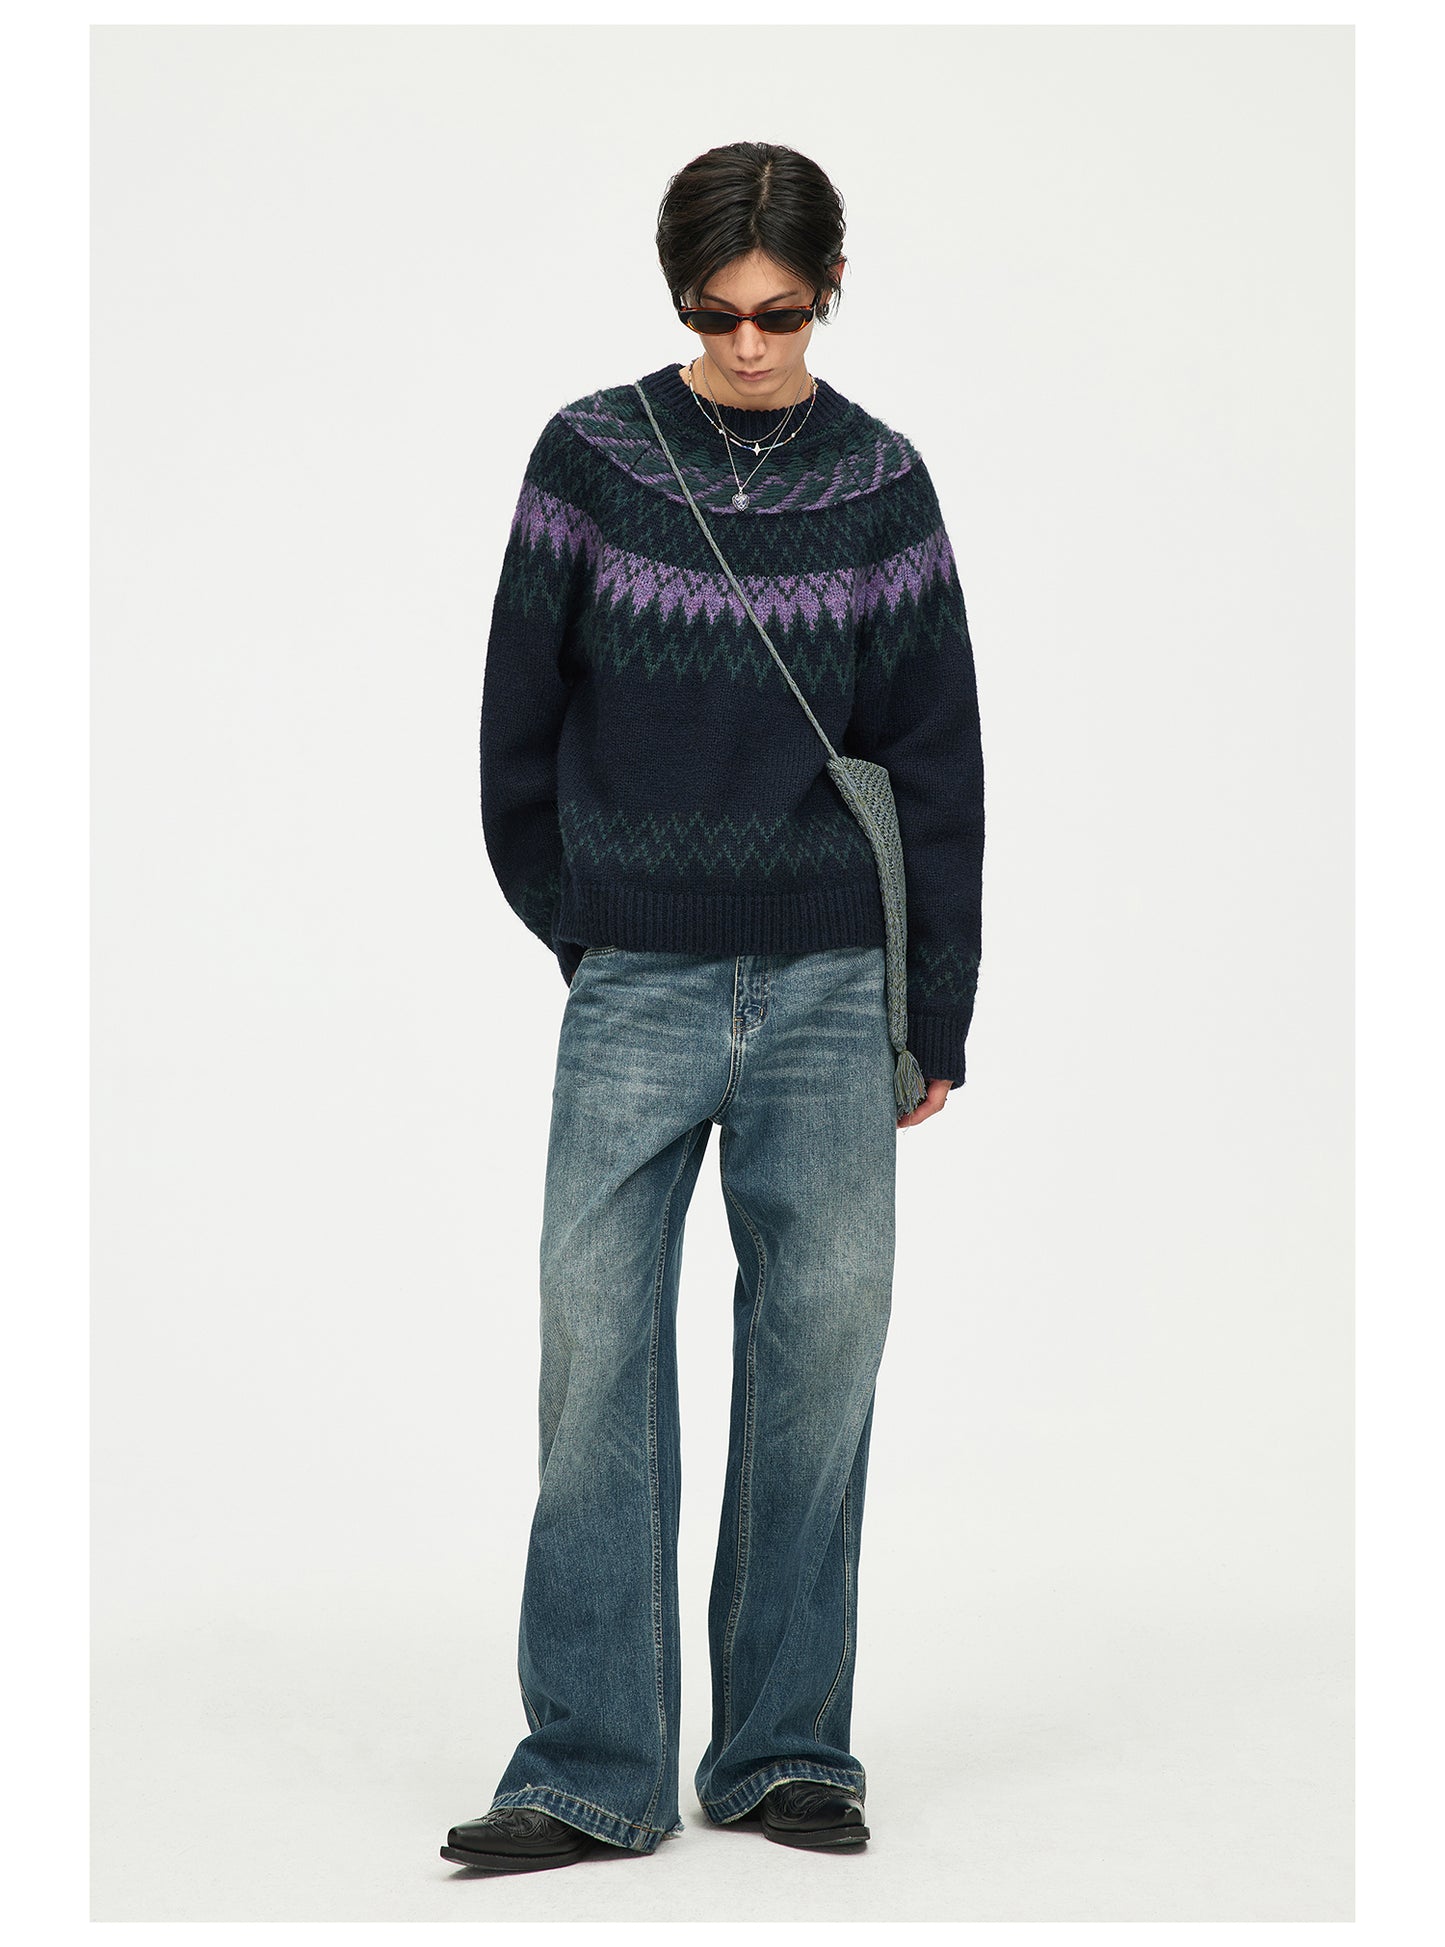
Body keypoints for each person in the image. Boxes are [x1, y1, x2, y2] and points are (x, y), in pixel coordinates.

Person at [441, 140, 985, 1876]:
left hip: (834, 986)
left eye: (780, 312)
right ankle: (587, 1766)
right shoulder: (593, 458)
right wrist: (589, 928)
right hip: (637, 980)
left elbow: (938, 760)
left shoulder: (881, 481)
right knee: (593, 1361)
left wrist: (933, 1009)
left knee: (818, 1362)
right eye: (713, 312)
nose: (746, 343)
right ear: (677, 296)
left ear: (829, 293)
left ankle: (781, 1751)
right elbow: (513, 725)